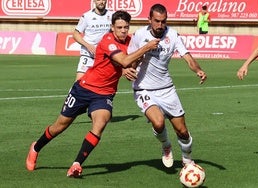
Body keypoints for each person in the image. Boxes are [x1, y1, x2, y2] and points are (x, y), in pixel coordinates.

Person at [26, 10, 160, 178]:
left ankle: (76, 165)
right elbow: (124, 60)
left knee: (100, 123)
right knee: (59, 126)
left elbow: (129, 63)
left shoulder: (130, 43)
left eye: (126, 27)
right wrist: (145, 48)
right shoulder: (107, 41)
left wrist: (130, 66)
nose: (123, 31)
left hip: (104, 94)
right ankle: (36, 147)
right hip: (84, 89)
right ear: (112, 27)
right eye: (119, 27)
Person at [127, 4, 207, 168]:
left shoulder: (173, 35)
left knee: (183, 131)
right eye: (156, 21)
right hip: (143, 88)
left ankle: (187, 160)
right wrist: (131, 68)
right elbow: (130, 59)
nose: (160, 25)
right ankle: (166, 145)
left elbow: (187, 57)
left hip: (166, 89)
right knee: (158, 123)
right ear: (149, 19)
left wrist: (198, 70)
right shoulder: (139, 35)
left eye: (163, 21)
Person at [73, 0, 113, 81]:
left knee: (100, 83)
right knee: (78, 82)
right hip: (88, 55)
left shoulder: (112, 15)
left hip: (104, 57)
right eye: (98, 0)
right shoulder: (87, 16)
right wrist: (88, 46)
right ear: (94, 1)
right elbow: (76, 34)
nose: (101, 2)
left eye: (103, 0)